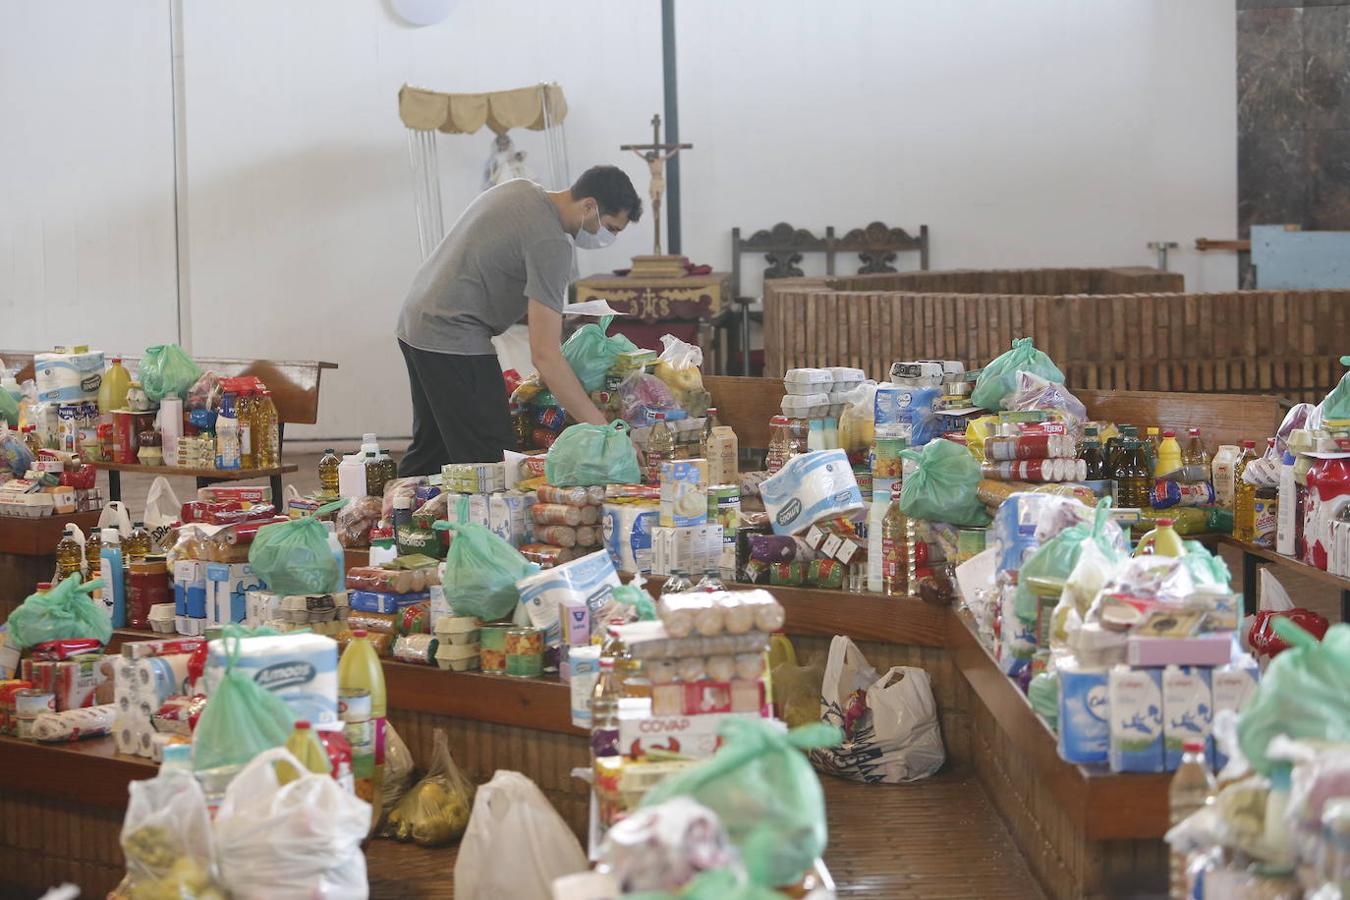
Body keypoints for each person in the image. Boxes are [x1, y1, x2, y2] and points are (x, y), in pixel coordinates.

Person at [395, 165, 642, 476]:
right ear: (589, 206)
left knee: (434, 448)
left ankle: (394, 516)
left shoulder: (521, 189)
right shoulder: (552, 244)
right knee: (493, 461)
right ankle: (482, 523)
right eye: (611, 228)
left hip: (415, 320)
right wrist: (607, 432)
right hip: (453, 334)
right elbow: (545, 355)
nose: (607, 237)